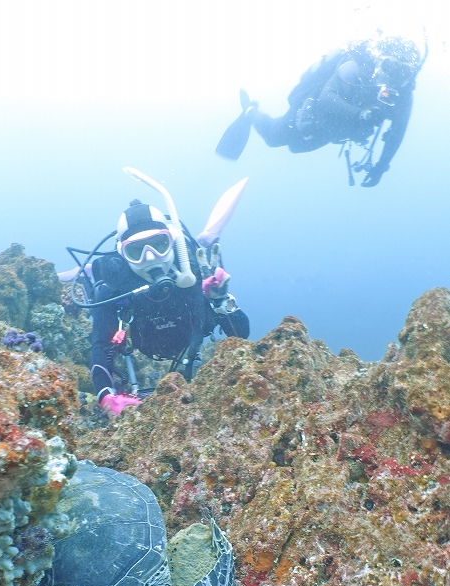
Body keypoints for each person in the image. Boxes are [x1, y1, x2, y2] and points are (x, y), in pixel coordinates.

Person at [89, 200, 250, 416]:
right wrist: (105, 397)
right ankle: (88, 271)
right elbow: (99, 346)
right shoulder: (114, 291)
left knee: (205, 248)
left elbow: (241, 335)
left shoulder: (197, 275)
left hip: (188, 343)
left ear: (173, 242)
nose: (150, 258)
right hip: (148, 344)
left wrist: (219, 300)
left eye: (159, 244)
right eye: (136, 251)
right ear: (122, 256)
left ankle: (207, 237)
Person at [216, 36, 425, 187]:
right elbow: (326, 99)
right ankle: (251, 111)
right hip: (313, 112)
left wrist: (381, 166)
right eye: (390, 67)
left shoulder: (404, 95)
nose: (394, 76)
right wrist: (360, 115)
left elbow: (398, 133)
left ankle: (256, 115)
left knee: (296, 147)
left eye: (403, 71)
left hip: (335, 128)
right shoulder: (355, 67)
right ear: (380, 61)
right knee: (273, 138)